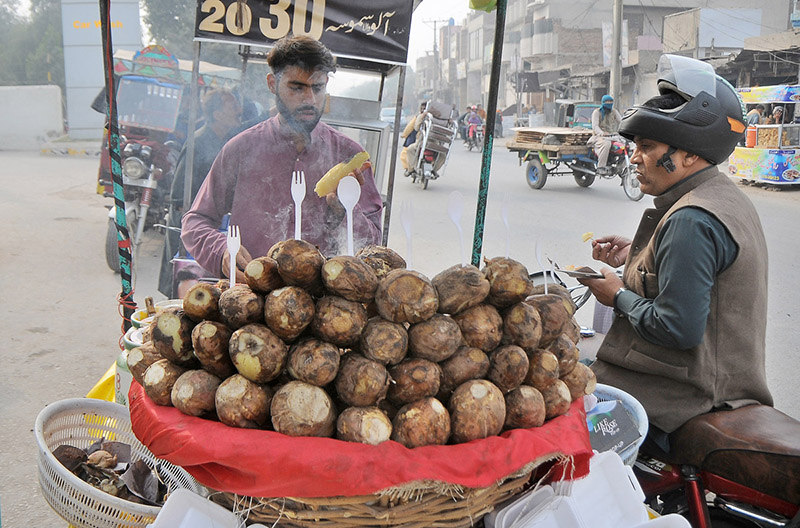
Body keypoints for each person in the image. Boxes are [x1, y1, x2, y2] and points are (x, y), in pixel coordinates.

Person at [579, 55, 772, 450]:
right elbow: (703, 275)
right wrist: (638, 253)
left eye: (646, 146)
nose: (633, 157)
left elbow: (677, 328)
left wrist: (616, 294)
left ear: (688, 155)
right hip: (727, 385)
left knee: (560, 433)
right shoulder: (721, 197)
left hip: (683, 398)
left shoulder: (692, 220)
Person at [181, 35, 383, 283]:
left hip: (327, 308)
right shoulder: (240, 149)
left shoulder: (348, 155)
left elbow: (374, 244)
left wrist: (344, 212)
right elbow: (196, 221)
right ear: (272, 83)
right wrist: (221, 249)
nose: (309, 99)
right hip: (252, 299)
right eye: (296, 87)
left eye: (317, 88)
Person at [157, 88, 242, 296]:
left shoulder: (227, 139)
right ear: (217, 114)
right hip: (188, 222)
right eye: (233, 107)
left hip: (215, 224)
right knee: (184, 290)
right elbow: (179, 195)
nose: (239, 111)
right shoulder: (198, 141)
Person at [587, 94, 623, 175]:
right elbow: (595, 126)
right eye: (607, 102)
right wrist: (602, 133)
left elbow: (621, 121)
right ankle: (601, 167)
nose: (609, 103)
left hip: (611, 136)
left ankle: (620, 165)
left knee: (624, 144)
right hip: (598, 136)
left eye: (611, 102)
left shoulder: (614, 111)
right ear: (603, 102)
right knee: (606, 144)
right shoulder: (597, 112)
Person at [400, 101, 429, 173]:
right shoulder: (438, 117)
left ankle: (411, 169)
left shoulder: (420, 116)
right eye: (422, 109)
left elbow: (414, 127)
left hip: (422, 142)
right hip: (431, 143)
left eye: (424, 108)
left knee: (409, 150)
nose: (423, 110)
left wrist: (404, 135)